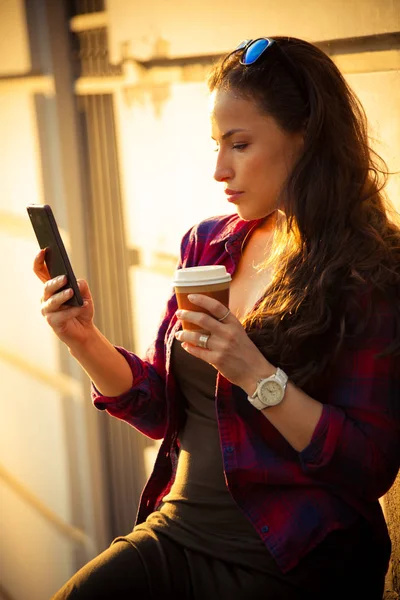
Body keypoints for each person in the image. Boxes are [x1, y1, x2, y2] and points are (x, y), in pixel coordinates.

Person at [34, 36, 400, 600]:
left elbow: (367, 465)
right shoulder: (209, 245)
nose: (219, 169)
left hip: (293, 557)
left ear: (305, 139)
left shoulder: (368, 271)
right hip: (177, 530)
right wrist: (83, 338)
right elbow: (158, 406)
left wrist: (255, 373)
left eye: (240, 143)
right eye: (216, 145)